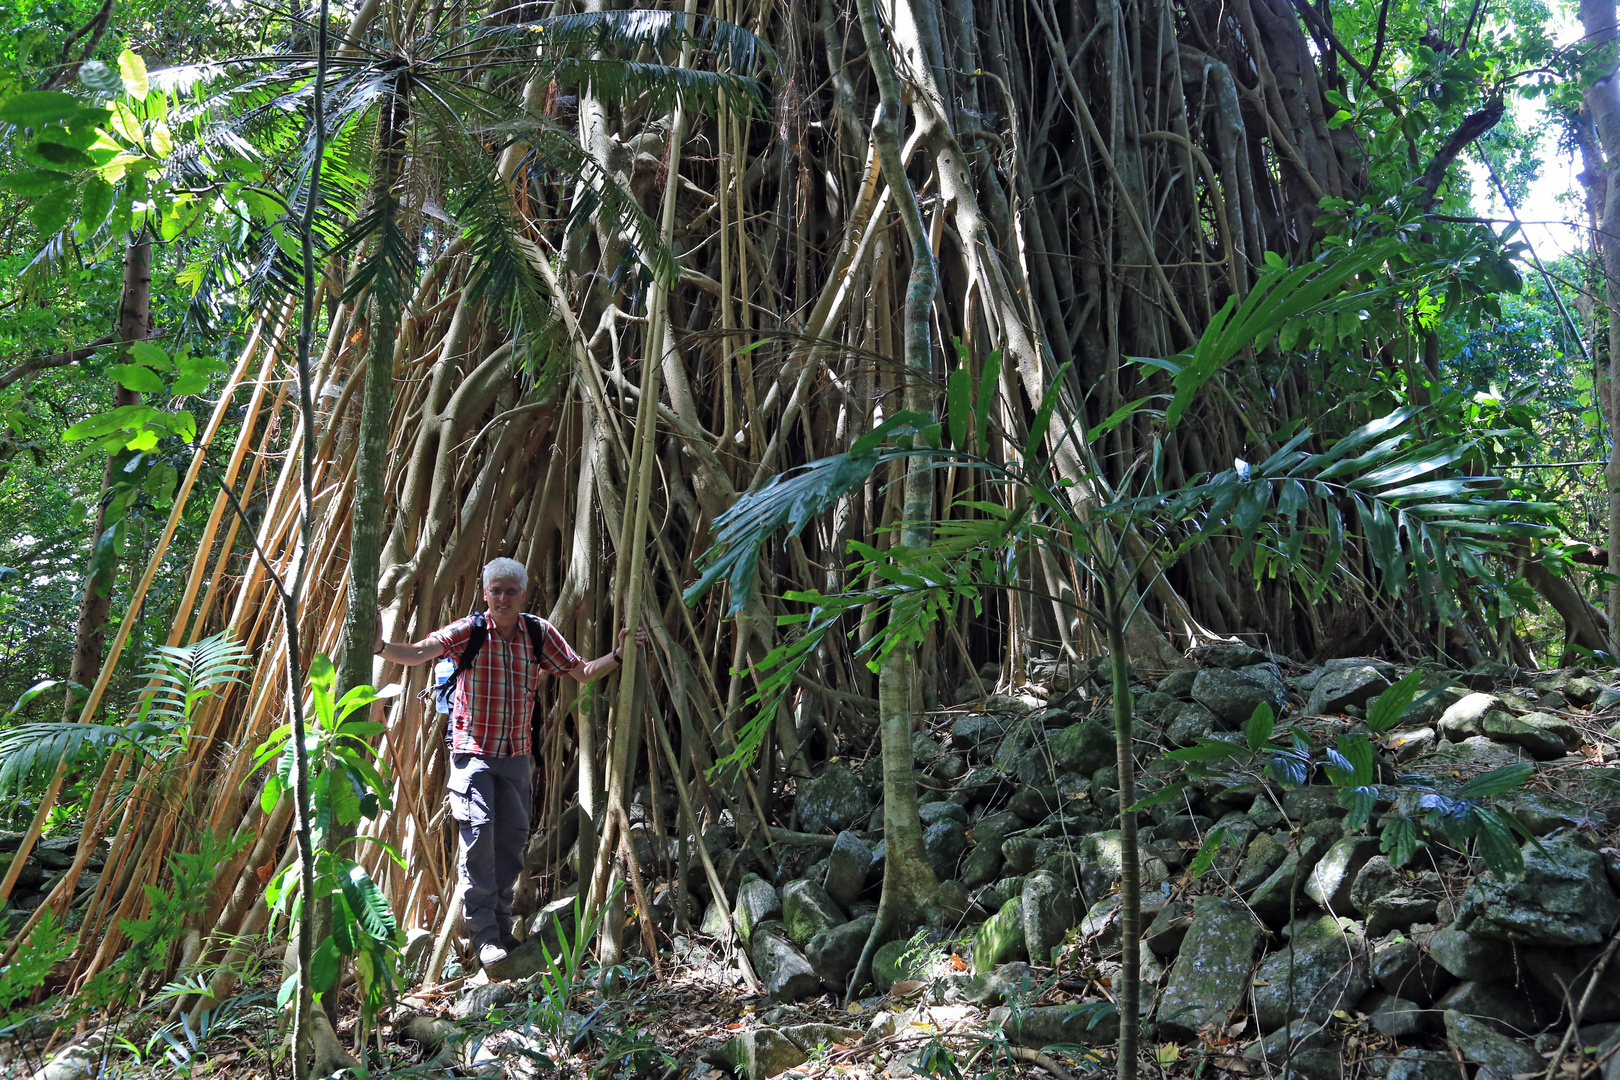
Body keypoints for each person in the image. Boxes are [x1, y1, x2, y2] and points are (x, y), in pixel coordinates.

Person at [375, 556, 646, 968]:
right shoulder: (470, 631)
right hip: (473, 755)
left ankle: (500, 928)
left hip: (517, 757)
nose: (502, 598)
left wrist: (620, 655)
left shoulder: (537, 633)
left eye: (510, 591)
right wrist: (378, 646)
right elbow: (417, 652)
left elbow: (582, 672)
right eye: (495, 590)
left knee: (511, 843)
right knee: (479, 838)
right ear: (486, 594)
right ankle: (484, 935)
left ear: (523, 593)